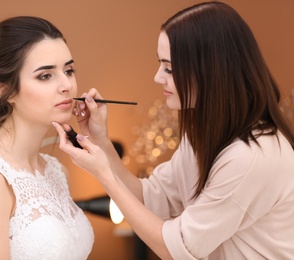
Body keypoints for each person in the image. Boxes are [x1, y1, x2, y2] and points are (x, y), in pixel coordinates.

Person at [52, 2, 294, 259]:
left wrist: (103, 174)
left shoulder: (250, 158)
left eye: (169, 67)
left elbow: (175, 248)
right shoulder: (206, 135)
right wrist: (101, 141)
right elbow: (150, 199)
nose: (158, 77)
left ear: (210, 71)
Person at [0, 16, 94, 259]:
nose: (67, 85)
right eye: (45, 76)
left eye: (68, 70)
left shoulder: (53, 170)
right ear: (6, 91)